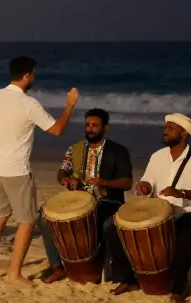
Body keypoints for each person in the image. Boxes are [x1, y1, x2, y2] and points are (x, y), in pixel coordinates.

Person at [0, 57, 79, 286]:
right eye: (32, 74)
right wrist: (70, 105)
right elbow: (57, 129)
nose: (33, 77)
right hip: (16, 169)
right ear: (26, 76)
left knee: (0, 216)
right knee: (27, 220)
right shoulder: (28, 103)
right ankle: (14, 273)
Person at [109, 114, 191, 303]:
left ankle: (178, 288)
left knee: (185, 235)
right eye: (165, 127)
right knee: (114, 227)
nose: (165, 131)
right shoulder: (157, 156)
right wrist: (145, 187)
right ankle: (129, 279)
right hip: (159, 211)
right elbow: (148, 181)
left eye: (170, 128)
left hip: (189, 212)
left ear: (184, 134)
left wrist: (181, 193)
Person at [37, 108, 133, 283]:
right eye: (87, 125)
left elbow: (127, 183)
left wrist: (103, 182)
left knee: (104, 222)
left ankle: (96, 267)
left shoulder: (118, 151)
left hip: (108, 201)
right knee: (43, 217)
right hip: (78, 201)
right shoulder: (75, 149)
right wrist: (65, 179)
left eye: (95, 125)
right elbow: (62, 171)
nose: (90, 129)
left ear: (105, 128)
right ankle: (57, 267)